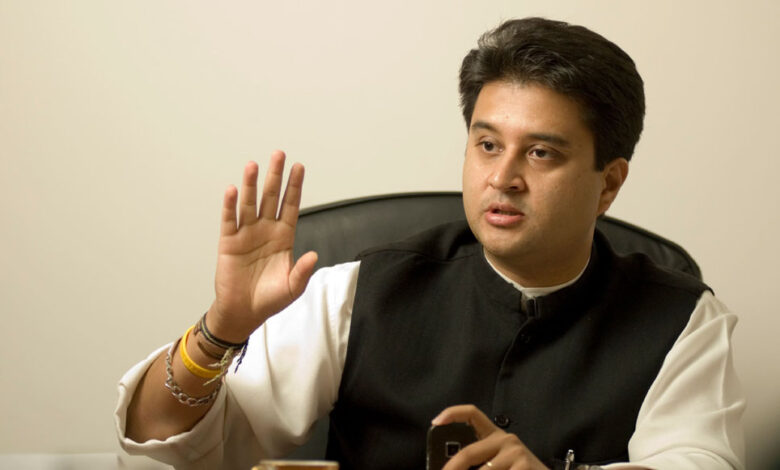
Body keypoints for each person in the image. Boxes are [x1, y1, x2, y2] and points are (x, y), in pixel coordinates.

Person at [115, 17, 745, 469]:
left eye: (541, 153)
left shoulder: (681, 319)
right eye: (487, 144)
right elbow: (165, 452)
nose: (503, 177)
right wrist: (220, 331)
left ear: (608, 183)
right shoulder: (355, 292)